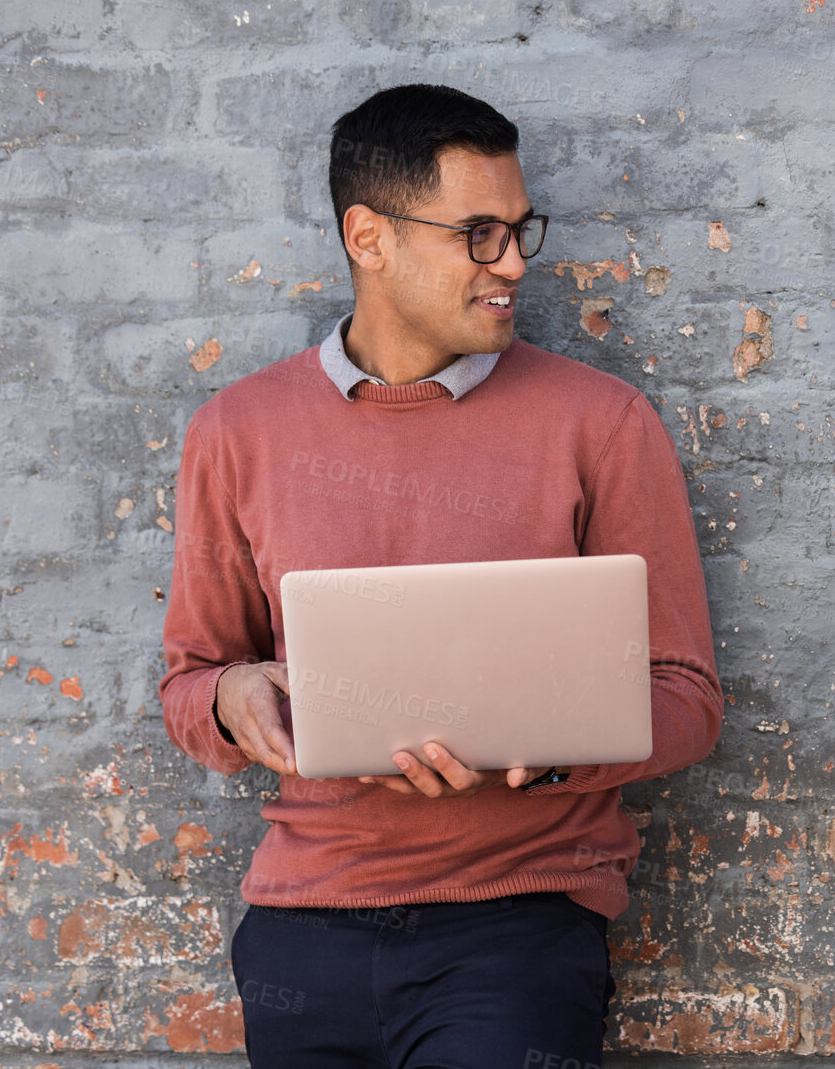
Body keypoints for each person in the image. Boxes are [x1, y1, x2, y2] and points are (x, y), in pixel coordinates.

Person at [157, 84, 723, 1068]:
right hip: (304, 929)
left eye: (518, 231)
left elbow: (687, 696)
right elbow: (190, 677)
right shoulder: (236, 432)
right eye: (478, 235)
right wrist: (235, 696)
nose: (512, 264)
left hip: (516, 928)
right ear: (368, 238)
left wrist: (543, 748)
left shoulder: (601, 423)